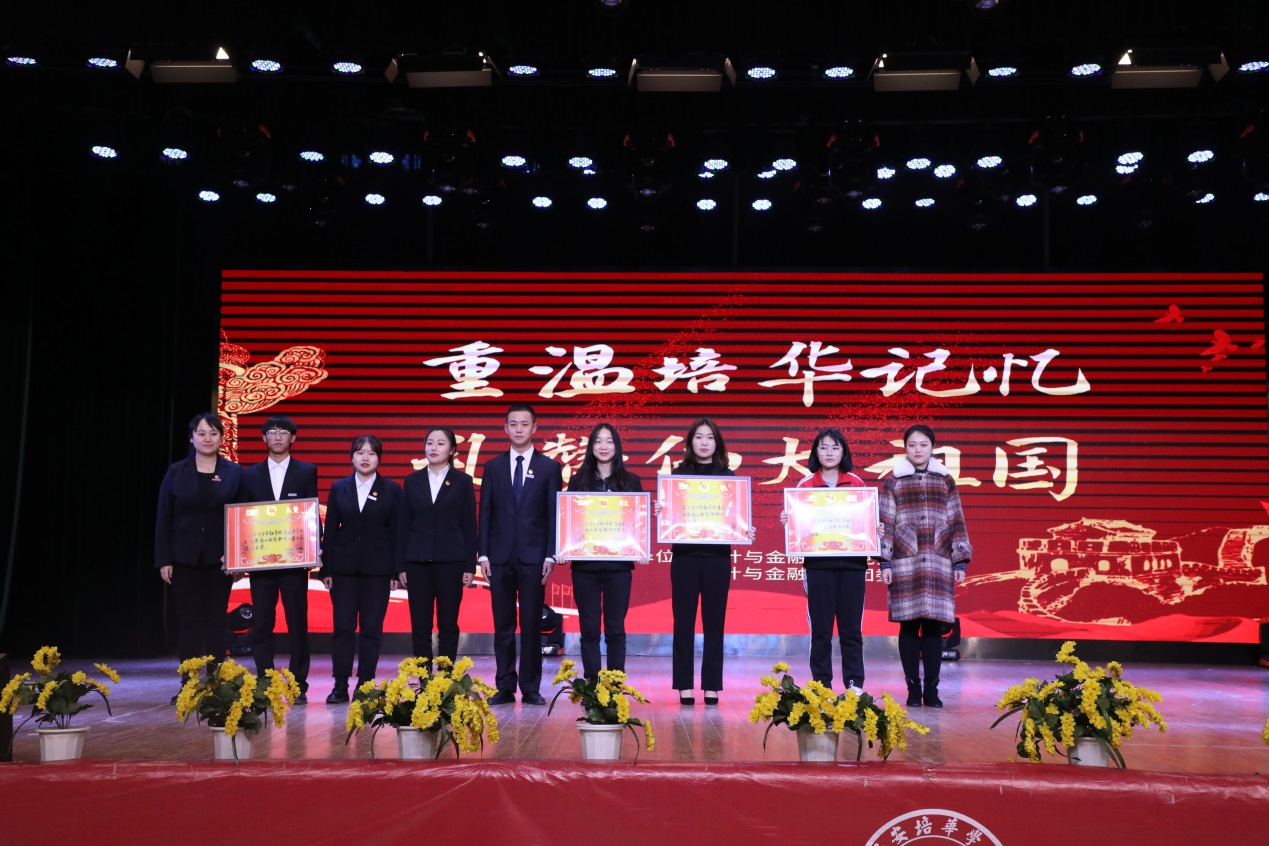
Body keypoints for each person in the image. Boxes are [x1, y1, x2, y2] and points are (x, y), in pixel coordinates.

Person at [878, 424, 973, 708]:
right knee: (908, 626)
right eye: (912, 444)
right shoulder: (893, 481)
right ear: (904, 447)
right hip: (904, 561)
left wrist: (960, 559)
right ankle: (912, 689)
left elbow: (956, 519)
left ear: (932, 447)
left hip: (938, 560)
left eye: (923, 444)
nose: (917, 450)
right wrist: (884, 561)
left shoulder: (945, 480)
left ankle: (932, 690)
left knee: (933, 627)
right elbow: (885, 522)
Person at [662, 417, 753, 706]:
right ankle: (684, 685)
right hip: (685, 557)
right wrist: (662, 512)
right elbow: (672, 516)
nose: (704, 442)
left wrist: (744, 528)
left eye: (710, 437)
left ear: (717, 443)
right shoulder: (678, 476)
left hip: (717, 557)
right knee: (683, 622)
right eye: (699, 437)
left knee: (715, 622)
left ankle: (712, 685)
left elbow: (735, 517)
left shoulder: (729, 477)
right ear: (690, 443)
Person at [155, 413, 246, 702]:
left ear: (221, 438)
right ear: (192, 438)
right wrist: (164, 559)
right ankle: (189, 684)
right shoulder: (176, 471)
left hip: (221, 561)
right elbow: (164, 517)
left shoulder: (234, 472)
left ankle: (218, 684)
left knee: (217, 621)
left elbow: (243, 518)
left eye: (213, 433)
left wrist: (238, 559)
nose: (207, 439)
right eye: (202, 433)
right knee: (189, 622)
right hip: (183, 558)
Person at [477, 402, 563, 705]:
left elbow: (554, 515)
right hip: (499, 558)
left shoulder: (549, 467)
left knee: (530, 625)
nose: (518, 429)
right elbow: (485, 512)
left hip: (534, 558)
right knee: (503, 625)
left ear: (534, 428)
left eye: (524, 424)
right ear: (505, 428)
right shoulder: (493, 467)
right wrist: (483, 554)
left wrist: (550, 555)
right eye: (513, 424)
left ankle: (530, 687)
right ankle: (504, 685)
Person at [781, 428, 869, 694]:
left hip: (852, 566)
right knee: (821, 631)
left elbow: (866, 522)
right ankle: (822, 687)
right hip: (817, 567)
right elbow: (800, 528)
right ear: (815, 452)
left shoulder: (857, 484)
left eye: (835, 447)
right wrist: (790, 521)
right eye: (823, 447)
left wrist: (874, 527)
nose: (829, 453)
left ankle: (854, 686)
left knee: (851, 630)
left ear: (844, 452)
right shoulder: (804, 486)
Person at [241, 414, 319, 704]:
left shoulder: (306, 471)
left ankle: (298, 684)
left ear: (293, 438)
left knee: (297, 621)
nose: (277, 436)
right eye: (271, 432)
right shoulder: (249, 474)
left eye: (283, 432)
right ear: (263, 438)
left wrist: (315, 548)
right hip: (261, 563)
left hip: (294, 562)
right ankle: (265, 681)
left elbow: (311, 513)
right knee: (262, 621)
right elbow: (242, 516)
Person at [319, 435, 402, 704]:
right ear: (352, 456)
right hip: (343, 570)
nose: (365, 457)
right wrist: (326, 570)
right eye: (360, 452)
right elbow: (331, 530)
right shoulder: (339, 487)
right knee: (343, 627)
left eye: (371, 453)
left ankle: (365, 685)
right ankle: (340, 685)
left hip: (378, 571)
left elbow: (397, 533)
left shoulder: (392, 490)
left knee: (371, 629)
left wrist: (394, 572)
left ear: (379, 458)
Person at [561, 423, 645, 680]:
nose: (604, 446)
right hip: (585, 567)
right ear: (591, 447)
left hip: (618, 567)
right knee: (588, 629)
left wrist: (641, 545)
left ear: (617, 446)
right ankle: (592, 685)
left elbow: (638, 522)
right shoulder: (578, 481)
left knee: (615, 629)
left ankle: (614, 685)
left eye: (609, 441)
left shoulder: (631, 481)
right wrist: (563, 547)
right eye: (598, 441)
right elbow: (568, 519)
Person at [398, 427, 477, 671]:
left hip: (451, 561)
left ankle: (445, 679)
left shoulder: (463, 481)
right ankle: (423, 679)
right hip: (417, 561)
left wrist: (469, 565)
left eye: (441, 443)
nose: (433, 448)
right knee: (420, 624)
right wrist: (400, 565)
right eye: (430, 443)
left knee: (448, 624)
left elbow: (469, 524)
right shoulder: (412, 481)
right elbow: (403, 525)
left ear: (452, 450)